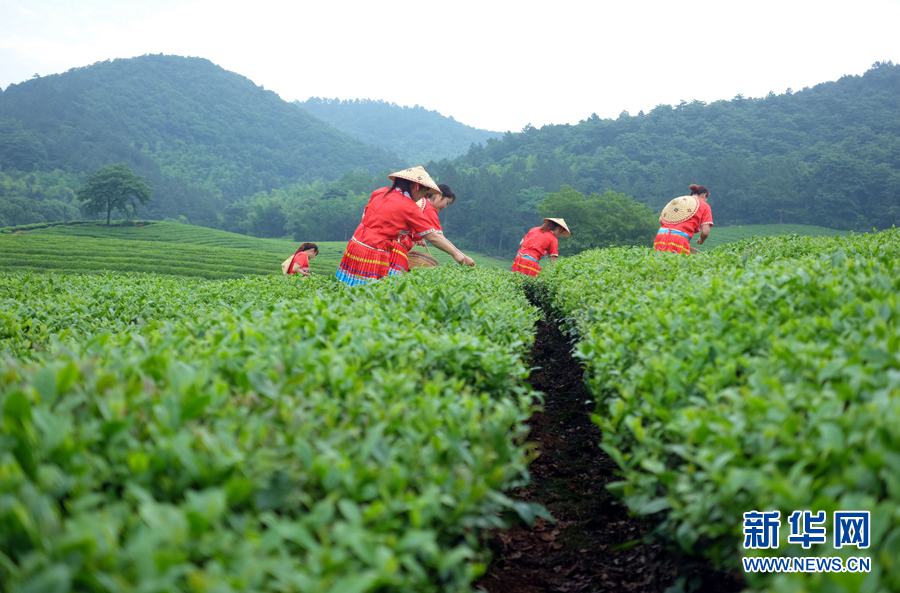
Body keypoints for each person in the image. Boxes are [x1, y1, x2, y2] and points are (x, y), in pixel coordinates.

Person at [335, 166, 475, 286]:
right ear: (416, 187)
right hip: (374, 250)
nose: (422, 198)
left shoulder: (380, 192)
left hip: (355, 244)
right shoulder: (409, 207)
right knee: (368, 295)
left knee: (346, 289)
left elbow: (365, 216)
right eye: (424, 194)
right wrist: (458, 255)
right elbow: (433, 236)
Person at [388, 183, 466, 275]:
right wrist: (460, 255)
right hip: (396, 248)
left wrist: (418, 237)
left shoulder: (422, 203)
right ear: (439, 195)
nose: (445, 207)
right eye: (447, 202)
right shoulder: (429, 209)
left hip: (389, 245)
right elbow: (437, 237)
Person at [653, 184, 714, 254]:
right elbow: (705, 231)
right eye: (706, 198)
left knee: (659, 262)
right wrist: (702, 239)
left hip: (661, 235)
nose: (706, 200)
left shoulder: (678, 200)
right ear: (703, 195)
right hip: (679, 238)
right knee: (678, 263)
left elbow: (661, 220)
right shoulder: (705, 206)